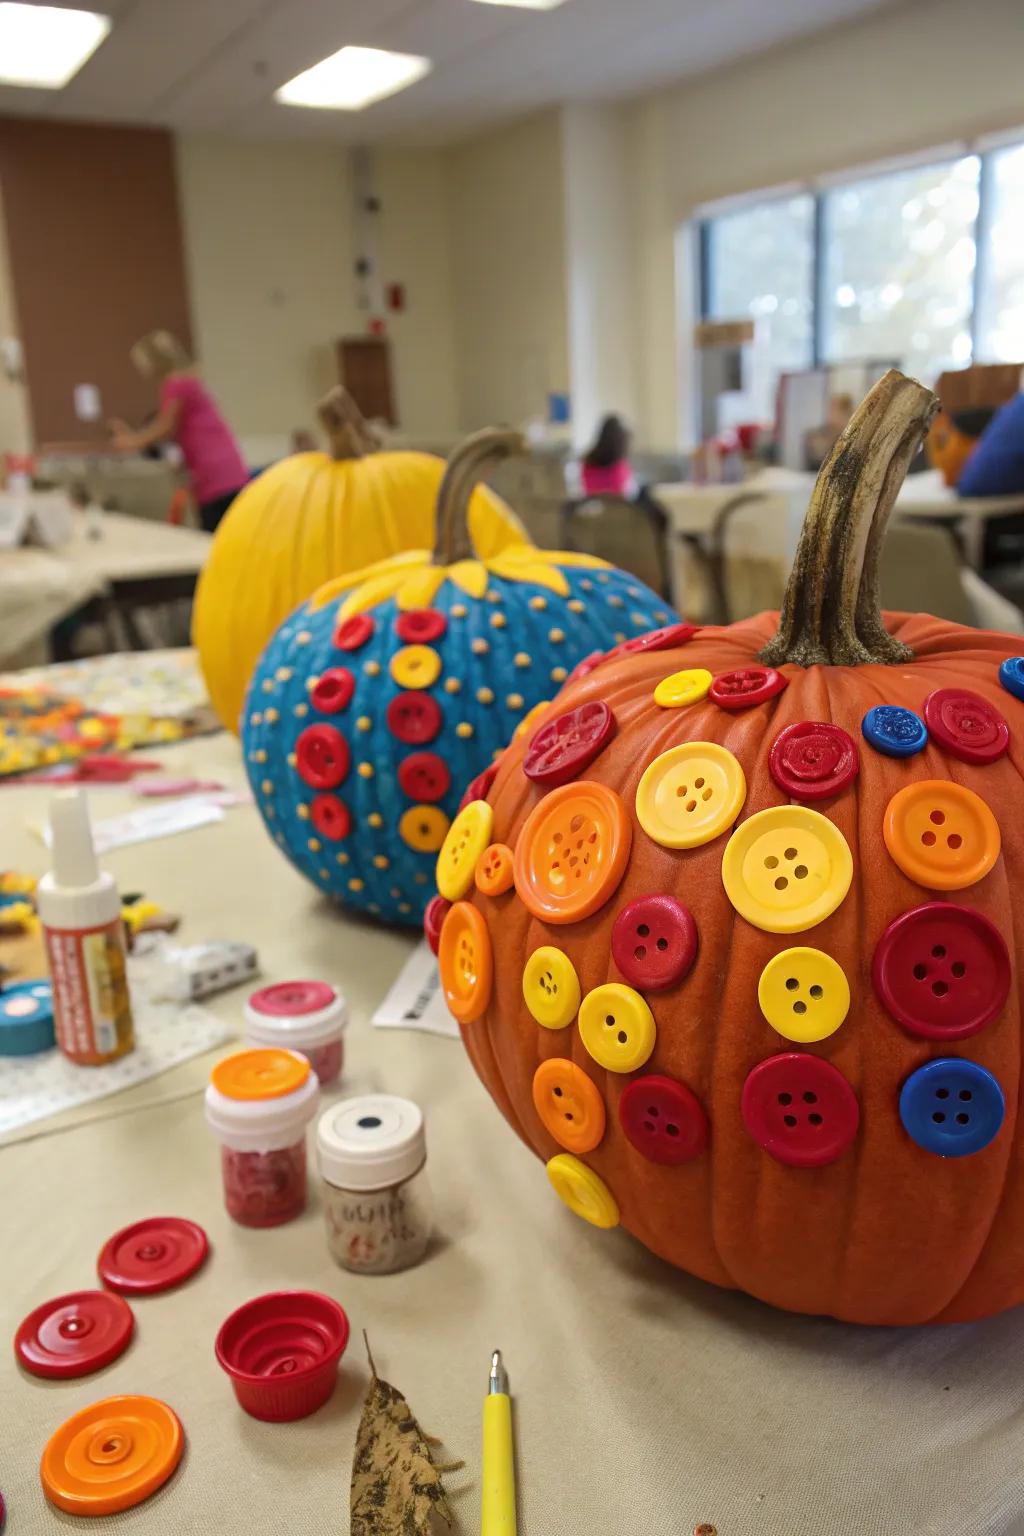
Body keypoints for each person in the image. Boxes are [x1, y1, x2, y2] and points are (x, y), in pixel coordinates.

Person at [108, 331, 248, 532]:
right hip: (221, 471)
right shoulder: (185, 382)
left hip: (216, 474)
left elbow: (166, 427)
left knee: (218, 535)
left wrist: (132, 441)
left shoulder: (176, 384)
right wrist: (133, 437)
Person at [580, 414, 635, 498]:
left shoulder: (587, 463)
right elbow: (627, 494)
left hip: (592, 508)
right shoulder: (620, 467)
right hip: (617, 509)